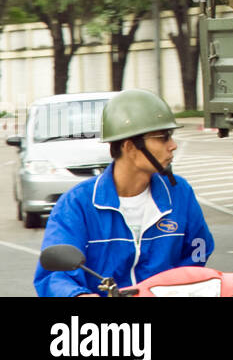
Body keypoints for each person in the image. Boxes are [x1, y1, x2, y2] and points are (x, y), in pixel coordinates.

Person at [34, 89, 214, 297]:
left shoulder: (180, 193)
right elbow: (55, 276)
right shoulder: (76, 204)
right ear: (129, 146)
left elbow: (196, 255)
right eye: (163, 138)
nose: (173, 146)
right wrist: (79, 295)